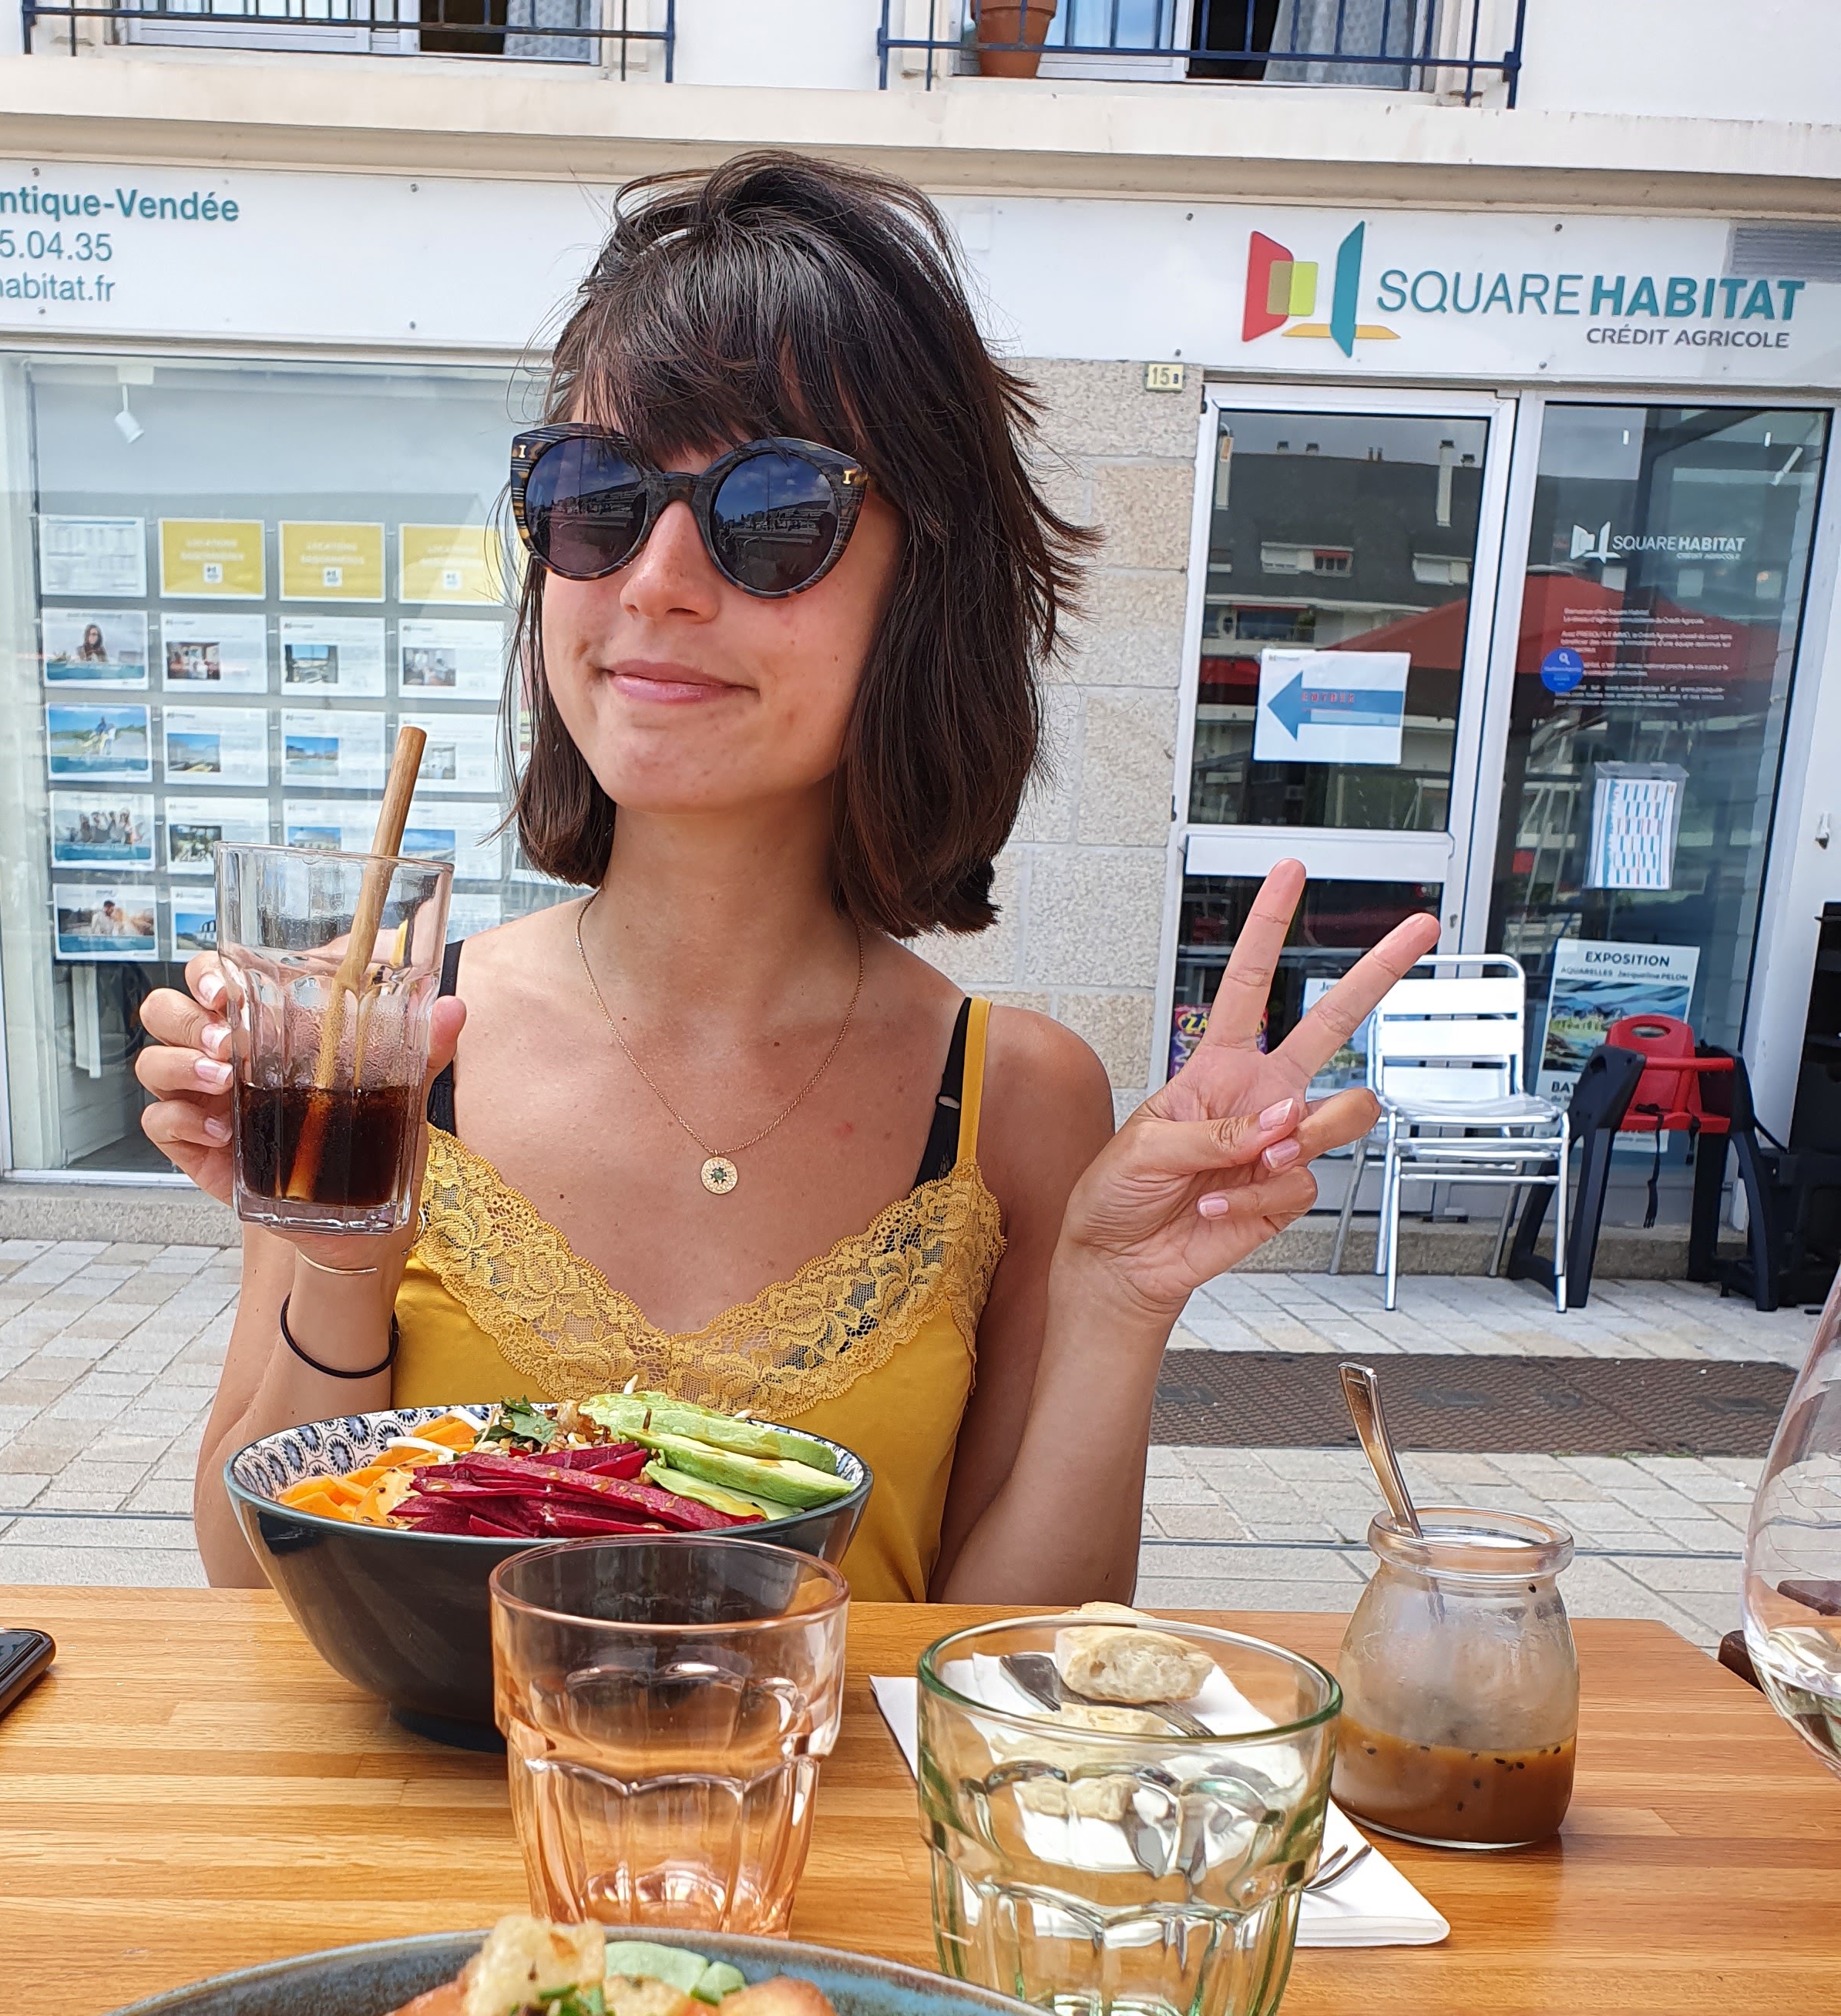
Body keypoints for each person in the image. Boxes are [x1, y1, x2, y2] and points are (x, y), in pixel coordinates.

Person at [138, 152, 1432, 1601]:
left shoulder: (1015, 1101)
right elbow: (251, 1585)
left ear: (923, 590)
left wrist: (1118, 1303)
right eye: (596, 496)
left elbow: (1009, 1645)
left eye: (768, 515)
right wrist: (342, 1250)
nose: (654, 580)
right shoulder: (386, 1036)